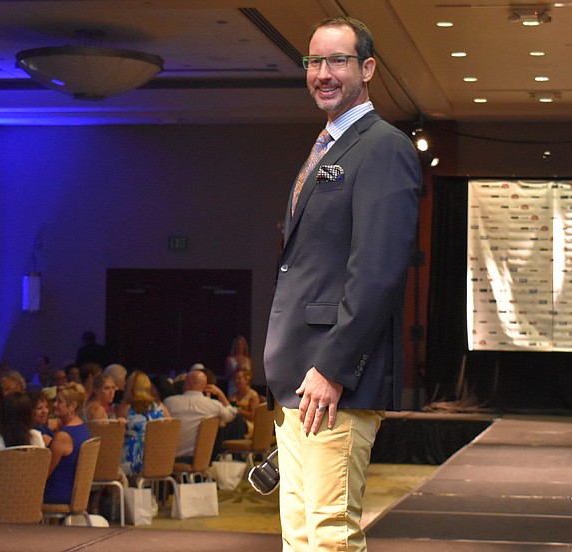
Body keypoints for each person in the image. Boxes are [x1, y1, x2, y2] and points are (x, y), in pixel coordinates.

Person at [262, 16, 421, 551]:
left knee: (330, 536)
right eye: (313, 61)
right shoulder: (326, 146)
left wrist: (332, 368)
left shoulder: (383, 146)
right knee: (301, 536)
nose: (322, 73)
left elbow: (377, 272)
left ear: (368, 69)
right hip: (297, 379)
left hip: (332, 383)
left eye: (337, 61)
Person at [0, 392, 46, 514]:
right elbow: (41, 474)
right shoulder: (37, 437)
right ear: (28, 415)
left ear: (1, 414)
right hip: (29, 502)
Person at [164, 370, 238, 462]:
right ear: (205, 386)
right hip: (199, 460)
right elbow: (231, 414)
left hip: (168, 459)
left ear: (187, 383)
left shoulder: (169, 403)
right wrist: (220, 394)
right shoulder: (213, 405)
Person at [44, 383, 91, 505]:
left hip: (58, 493)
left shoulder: (63, 437)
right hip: (76, 492)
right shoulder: (83, 428)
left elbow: (46, 471)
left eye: (60, 402)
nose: (54, 405)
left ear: (73, 406)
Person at [118, 371, 169, 477]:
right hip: (159, 459)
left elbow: (117, 436)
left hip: (133, 461)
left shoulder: (126, 409)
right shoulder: (161, 408)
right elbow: (171, 429)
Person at [230, 367, 260, 437]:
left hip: (248, 426)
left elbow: (253, 416)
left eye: (239, 378)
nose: (237, 381)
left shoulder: (253, 395)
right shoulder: (233, 395)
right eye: (235, 379)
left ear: (247, 380)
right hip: (234, 424)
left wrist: (239, 411)